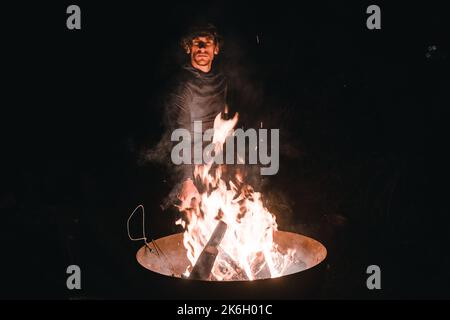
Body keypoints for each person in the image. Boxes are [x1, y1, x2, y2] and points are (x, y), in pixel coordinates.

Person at [163, 23, 229, 211]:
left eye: (207, 43)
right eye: (196, 43)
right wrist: (186, 179)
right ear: (188, 48)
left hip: (213, 165)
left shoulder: (222, 80)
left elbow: (222, 123)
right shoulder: (182, 83)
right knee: (191, 226)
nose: (201, 48)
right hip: (186, 165)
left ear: (215, 49)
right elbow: (179, 131)